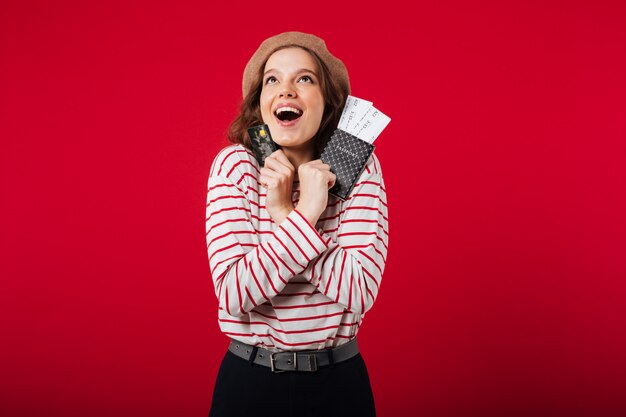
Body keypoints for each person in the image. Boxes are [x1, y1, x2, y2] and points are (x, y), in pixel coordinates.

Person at [206, 32, 389, 417]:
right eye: (272, 79)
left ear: (328, 101)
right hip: (249, 383)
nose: (286, 90)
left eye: (304, 79)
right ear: (260, 101)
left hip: (338, 385)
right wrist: (306, 214)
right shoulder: (234, 166)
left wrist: (285, 215)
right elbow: (235, 295)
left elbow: (358, 290)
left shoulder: (359, 167)